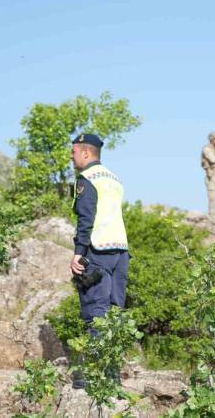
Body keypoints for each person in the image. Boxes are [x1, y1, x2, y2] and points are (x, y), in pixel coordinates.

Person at [69, 133, 130, 388]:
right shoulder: (114, 179)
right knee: (114, 314)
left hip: (97, 253)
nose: (72, 157)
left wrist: (78, 253)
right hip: (121, 253)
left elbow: (86, 219)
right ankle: (113, 376)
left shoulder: (87, 179)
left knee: (96, 313)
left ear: (85, 153)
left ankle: (93, 376)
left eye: (73, 152)